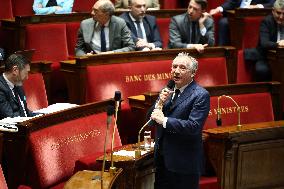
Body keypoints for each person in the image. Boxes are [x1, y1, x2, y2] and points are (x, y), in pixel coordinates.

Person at [149, 52, 210, 189]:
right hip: (162, 161)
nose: (176, 71)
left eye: (182, 68)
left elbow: (193, 127)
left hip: (184, 164)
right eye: (174, 66)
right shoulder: (168, 91)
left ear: (193, 72)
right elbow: (151, 120)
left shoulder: (200, 95)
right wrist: (159, 103)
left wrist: (164, 120)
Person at [244, 0, 284, 81]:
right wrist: (278, 44)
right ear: (273, 11)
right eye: (278, 13)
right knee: (261, 70)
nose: (281, 17)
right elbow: (264, 44)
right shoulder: (267, 21)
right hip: (266, 56)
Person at [209, 0, 275, 45]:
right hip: (237, 15)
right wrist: (219, 9)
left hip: (253, 16)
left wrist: (257, 6)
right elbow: (232, 2)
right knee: (223, 22)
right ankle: (223, 51)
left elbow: (273, 3)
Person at [0, 54, 34, 119]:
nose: (27, 77)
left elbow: (25, 111)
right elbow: (10, 118)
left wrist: (41, 115)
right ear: (15, 70)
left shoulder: (18, 84)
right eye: (26, 73)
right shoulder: (1, 88)